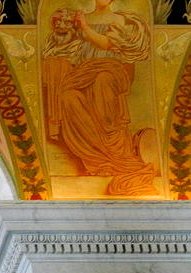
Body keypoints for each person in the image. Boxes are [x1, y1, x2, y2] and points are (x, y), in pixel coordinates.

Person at [42, 0, 154, 195]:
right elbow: (69, 45)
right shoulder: (82, 18)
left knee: (103, 81)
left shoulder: (119, 20)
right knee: (68, 96)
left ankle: (116, 152)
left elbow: (107, 44)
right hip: (85, 71)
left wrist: (84, 26)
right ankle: (97, 158)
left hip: (112, 69)